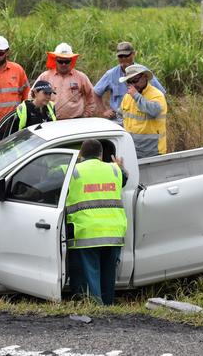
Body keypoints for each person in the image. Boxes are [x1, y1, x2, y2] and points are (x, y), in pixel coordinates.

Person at [67, 139, 128, 305]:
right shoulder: (114, 170)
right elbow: (124, 179)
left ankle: (95, 308)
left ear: (81, 154)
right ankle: (108, 307)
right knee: (108, 276)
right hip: (114, 232)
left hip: (87, 233)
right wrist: (120, 166)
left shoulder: (73, 171)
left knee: (90, 277)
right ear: (101, 155)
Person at [93, 41, 167, 126]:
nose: (123, 59)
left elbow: (161, 93)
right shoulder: (111, 74)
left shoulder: (143, 72)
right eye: (120, 56)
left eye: (126, 55)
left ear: (133, 54)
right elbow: (96, 92)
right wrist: (104, 111)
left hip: (140, 122)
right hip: (118, 122)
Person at [118, 64, 167, 159]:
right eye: (129, 82)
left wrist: (136, 96)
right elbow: (120, 115)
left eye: (135, 81)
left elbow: (154, 111)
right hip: (132, 149)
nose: (132, 85)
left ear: (145, 77)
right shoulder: (128, 97)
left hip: (152, 151)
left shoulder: (156, 95)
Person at [36, 43, 95, 120]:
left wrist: (86, 115)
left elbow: (92, 97)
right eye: (60, 61)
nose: (63, 64)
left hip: (75, 121)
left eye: (67, 61)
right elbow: (32, 95)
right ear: (55, 60)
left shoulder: (81, 77)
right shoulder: (45, 76)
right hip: (50, 122)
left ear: (71, 61)